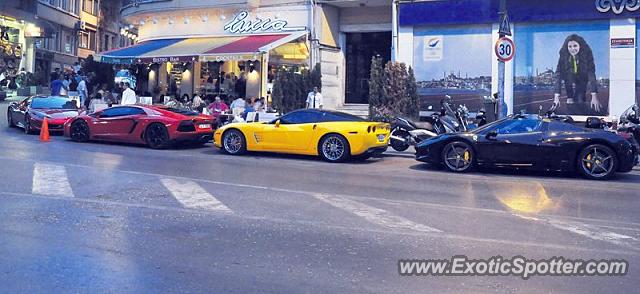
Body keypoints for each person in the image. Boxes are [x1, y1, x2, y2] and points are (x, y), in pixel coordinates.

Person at [553, 34, 601, 113]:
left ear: (580, 46)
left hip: (582, 76)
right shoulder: (563, 54)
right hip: (569, 76)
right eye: (570, 47)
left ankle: (581, 111)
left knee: (579, 98)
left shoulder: (587, 53)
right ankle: (570, 99)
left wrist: (594, 96)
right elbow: (558, 74)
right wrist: (556, 96)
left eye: (575, 46)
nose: (572, 49)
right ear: (567, 47)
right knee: (570, 100)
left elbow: (591, 74)